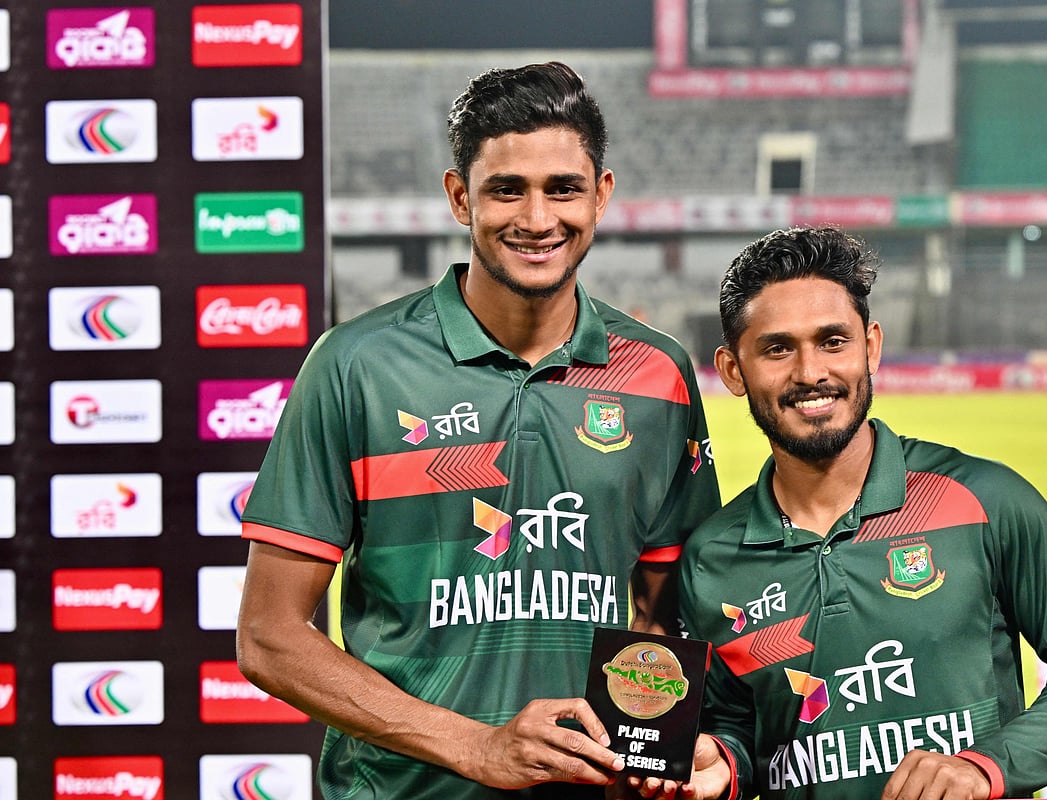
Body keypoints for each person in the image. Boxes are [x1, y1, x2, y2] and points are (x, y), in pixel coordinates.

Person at [235, 62, 721, 800]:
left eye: (563, 188)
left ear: (602, 194)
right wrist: (477, 746)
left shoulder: (659, 376)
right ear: (460, 196)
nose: (536, 219)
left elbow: (666, 619)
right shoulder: (356, 365)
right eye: (506, 190)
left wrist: (655, 754)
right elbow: (269, 636)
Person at [631, 227, 1047, 800]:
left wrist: (985, 767)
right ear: (733, 370)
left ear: (870, 347)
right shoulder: (713, 554)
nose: (809, 372)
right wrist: (723, 760)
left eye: (833, 341)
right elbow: (741, 722)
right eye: (778, 348)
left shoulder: (982, 499)